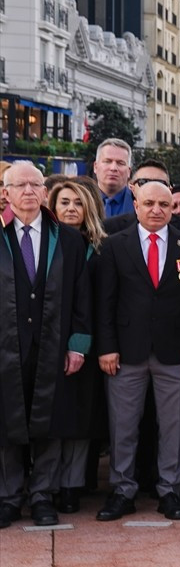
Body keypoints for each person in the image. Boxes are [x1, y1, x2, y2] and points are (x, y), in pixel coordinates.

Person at [94, 180, 180, 522]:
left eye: (164, 204)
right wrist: (107, 348)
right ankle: (122, 490)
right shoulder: (115, 246)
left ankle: (169, 490)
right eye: (149, 204)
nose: (157, 210)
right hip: (126, 353)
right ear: (137, 205)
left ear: (172, 207)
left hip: (175, 354)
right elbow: (106, 302)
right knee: (123, 426)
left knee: (173, 427)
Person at [0, 163, 92, 528]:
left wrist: (78, 345)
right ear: (5, 192)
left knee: (50, 422)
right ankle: (8, 497)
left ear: (44, 191)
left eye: (34, 184)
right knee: (6, 422)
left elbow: (82, 298)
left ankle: (42, 495)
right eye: (18, 185)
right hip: (6, 346)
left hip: (53, 346)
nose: (27, 191)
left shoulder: (68, 239)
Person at [48, 179, 106, 513]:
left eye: (78, 203)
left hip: (92, 344)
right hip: (52, 343)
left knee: (82, 417)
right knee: (54, 415)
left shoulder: (101, 246)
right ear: (53, 208)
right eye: (64, 202)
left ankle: (73, 484)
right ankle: (51, 483)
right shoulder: (45, 244)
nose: (71, 208)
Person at [93, 138, 135, 217]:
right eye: (107, 161)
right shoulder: (80, 200)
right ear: (95, 167)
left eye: (120, 163)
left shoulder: (139, 203)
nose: (113, 168)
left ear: (129, 171)